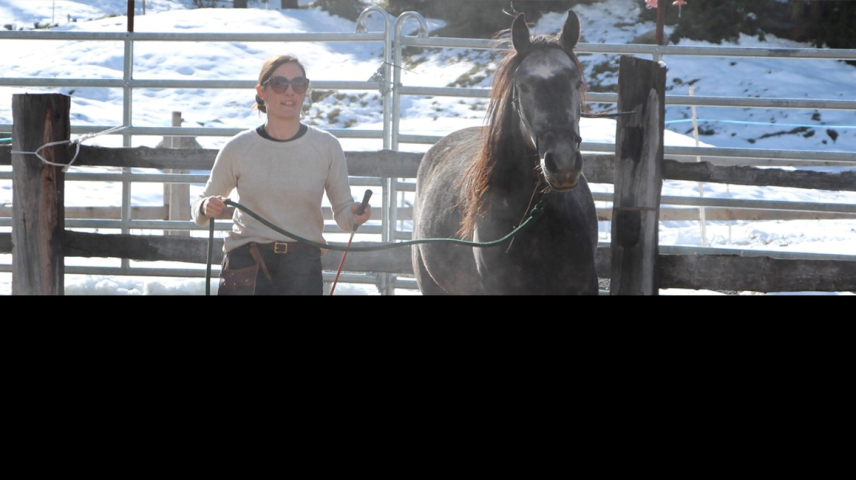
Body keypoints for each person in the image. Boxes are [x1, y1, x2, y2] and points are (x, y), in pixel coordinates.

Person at [191, 54, 371, 295]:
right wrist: (205, 206)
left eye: (298, 84)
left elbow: (343, 213)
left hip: (302, 268)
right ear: (261, 91)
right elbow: (199, 209)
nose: (290, 92)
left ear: (305, 92)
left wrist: (355, 214)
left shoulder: (327, 147)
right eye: (279, 83)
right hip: (246, 265)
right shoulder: (239, 147)